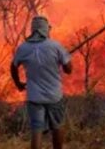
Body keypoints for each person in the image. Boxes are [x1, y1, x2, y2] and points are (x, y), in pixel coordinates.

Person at [11, 16, 72, 149]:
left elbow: (13, 66)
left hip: (34, 97)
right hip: (54, 96)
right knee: (57, 127)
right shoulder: (55, 46)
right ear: (46, 30)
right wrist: (63, 60)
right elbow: (69, 70)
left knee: (36, 130)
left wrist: (18, 84)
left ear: (33, 30)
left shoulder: (23, 48)